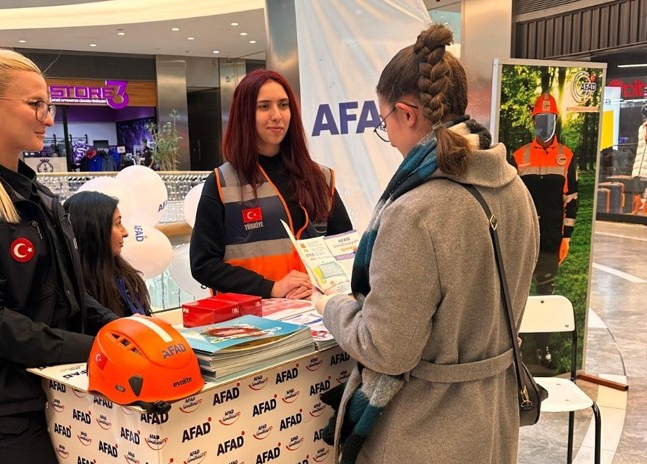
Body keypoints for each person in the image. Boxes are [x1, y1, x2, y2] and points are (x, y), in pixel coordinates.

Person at [313, 24, 539, 463]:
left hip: (425, 434)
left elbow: (386, 348)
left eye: (384, 123)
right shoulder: (516, 190)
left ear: (407, 113)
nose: (389, 136)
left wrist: (331, 306)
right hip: (495, 422)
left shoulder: (413, 213)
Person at [0, 48, 118, 464]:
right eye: (35, 105)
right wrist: (93, 345)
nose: (47, 118)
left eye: (48, 105)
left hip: (65, 391)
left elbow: (70, 297)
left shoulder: (40, 198)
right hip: (5, 413)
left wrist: (125, 332)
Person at [190, 69, 353, 299]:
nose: (277, 115)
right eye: (264, 106)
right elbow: (203, 264)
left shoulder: (320, 178)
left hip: (319, 314)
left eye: (284, 105)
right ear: (245, 114)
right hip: (253, 323)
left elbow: (344, 251)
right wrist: (271, 287)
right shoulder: (222, 183)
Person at [512, 92, 578, 294]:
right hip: (525, 231)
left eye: (549, 119)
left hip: (552, 232)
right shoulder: (519, 155)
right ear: (534, 122)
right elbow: (510, 198)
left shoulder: (566, 156)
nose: (545, 125)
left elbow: (572, 198)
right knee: (518, 286)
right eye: (541, 119)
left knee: (545, 285)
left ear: (556, 121)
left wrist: (566, 237)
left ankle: (545, 315)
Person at [64, 190, 151, 317]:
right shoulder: (73, 292)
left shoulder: (127, 277)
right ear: (95, 231)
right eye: (117, 223)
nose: (125, 232)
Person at [630, 102, 647, 214]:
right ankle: (638, 203)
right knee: (636, 180)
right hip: (640, 160)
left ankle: (645, 206)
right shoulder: (641, 127)